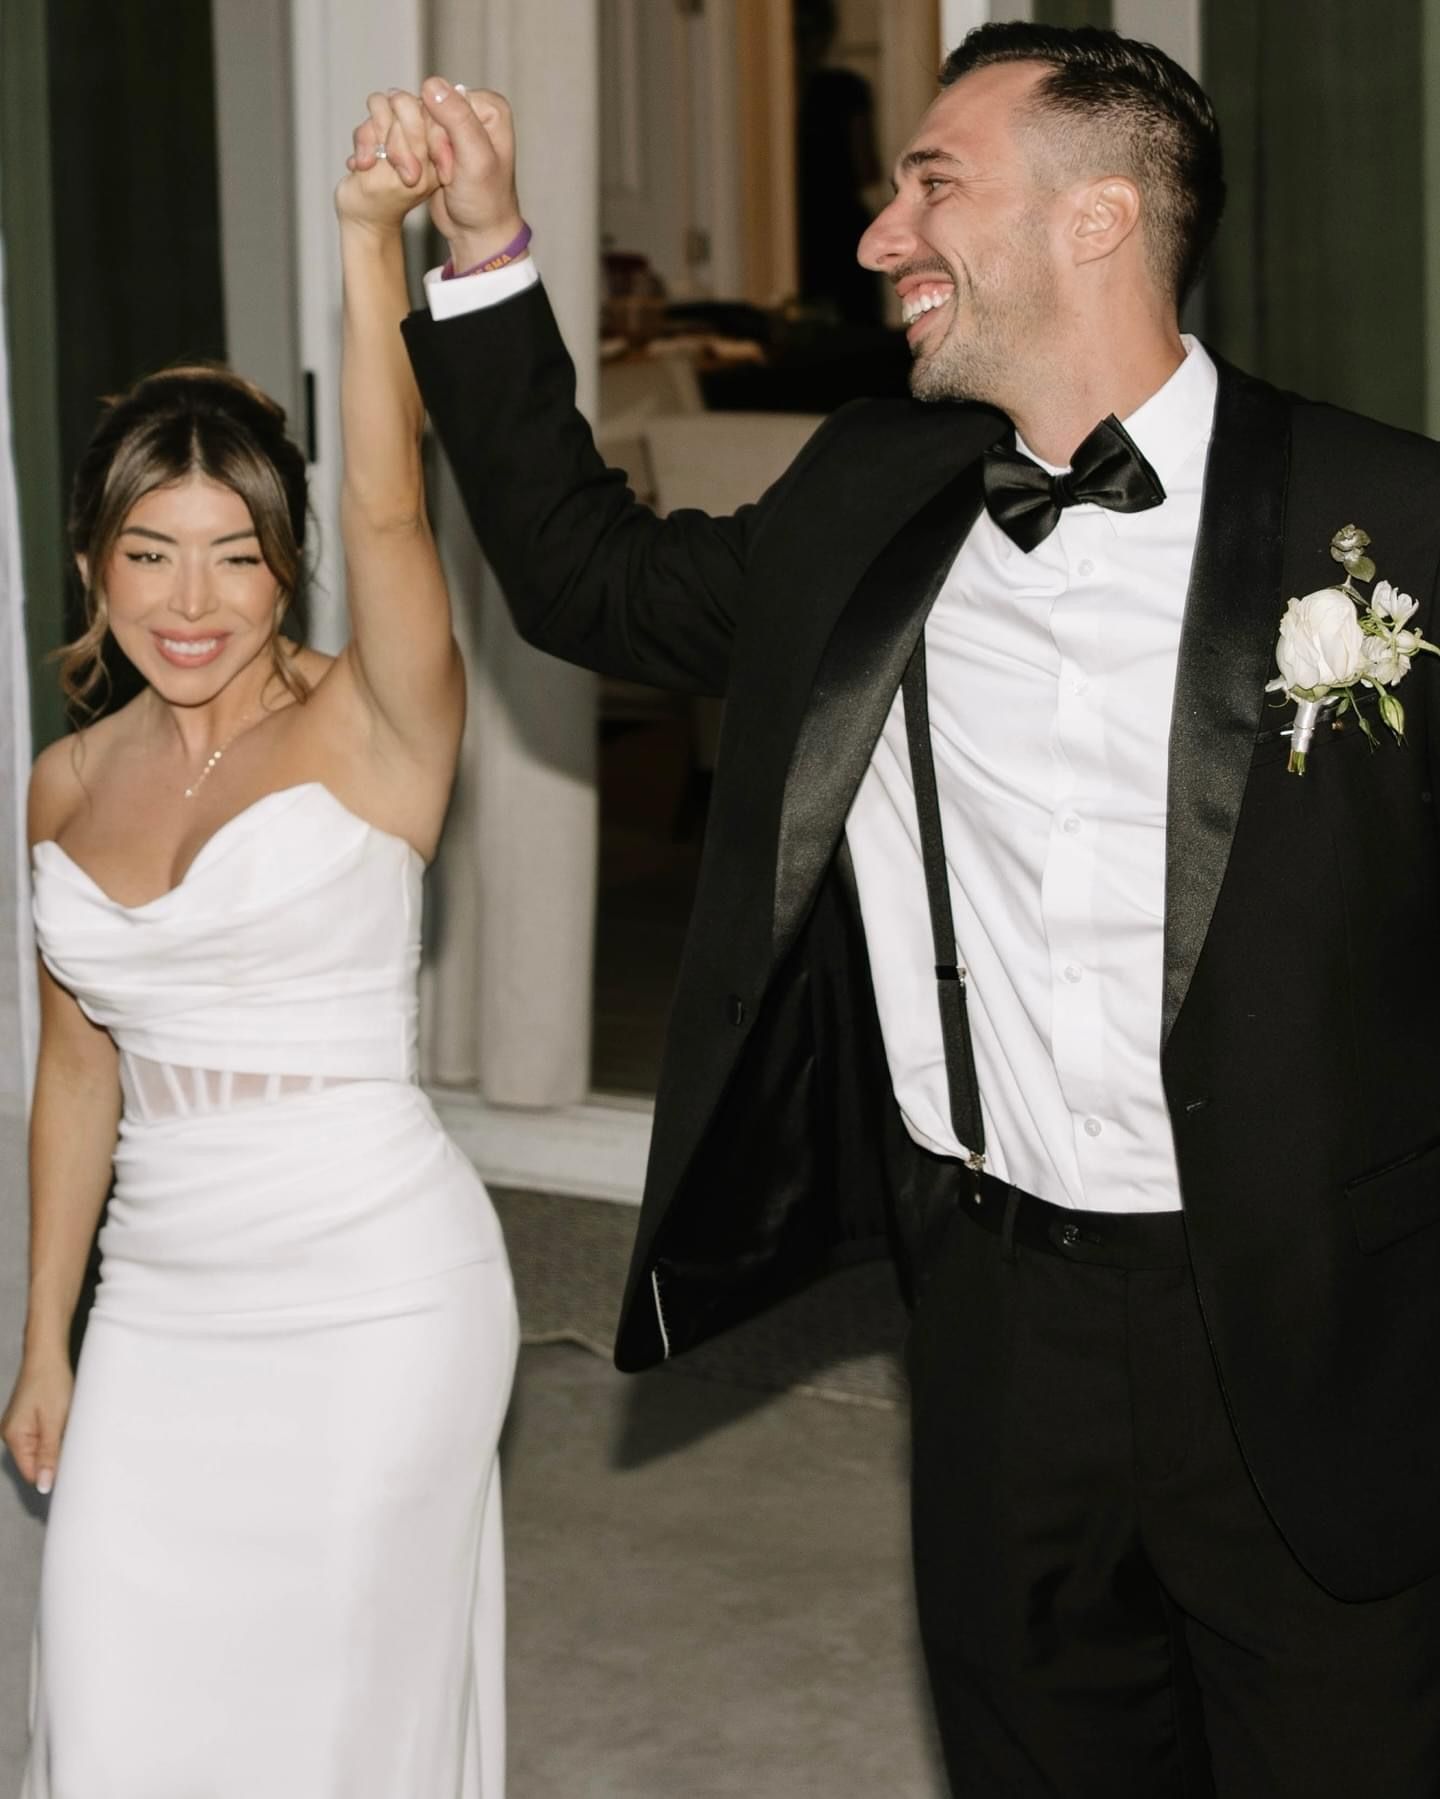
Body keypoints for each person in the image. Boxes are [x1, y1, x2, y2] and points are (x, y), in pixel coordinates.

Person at [371, 20, 1440, 1797]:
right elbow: (582, 576)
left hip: (1314, 1323)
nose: (878, 237)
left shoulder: (1392, 525)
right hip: (999, 1309)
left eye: (931, 184)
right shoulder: (871, 495)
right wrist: (484, 249)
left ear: (1098, 219)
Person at [1, 103, 517, 1798]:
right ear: (93, 566)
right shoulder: (64, 783)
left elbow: (390, 509)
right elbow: (80, 1065)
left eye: (236, 554)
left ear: (286, 570)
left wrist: (372, 247)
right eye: (150, 553)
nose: (191, 598)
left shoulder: (376, 720)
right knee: (115, 1706)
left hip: (378, 1292)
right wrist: (47, 1338)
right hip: (161, 1304)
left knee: (332, 1733)